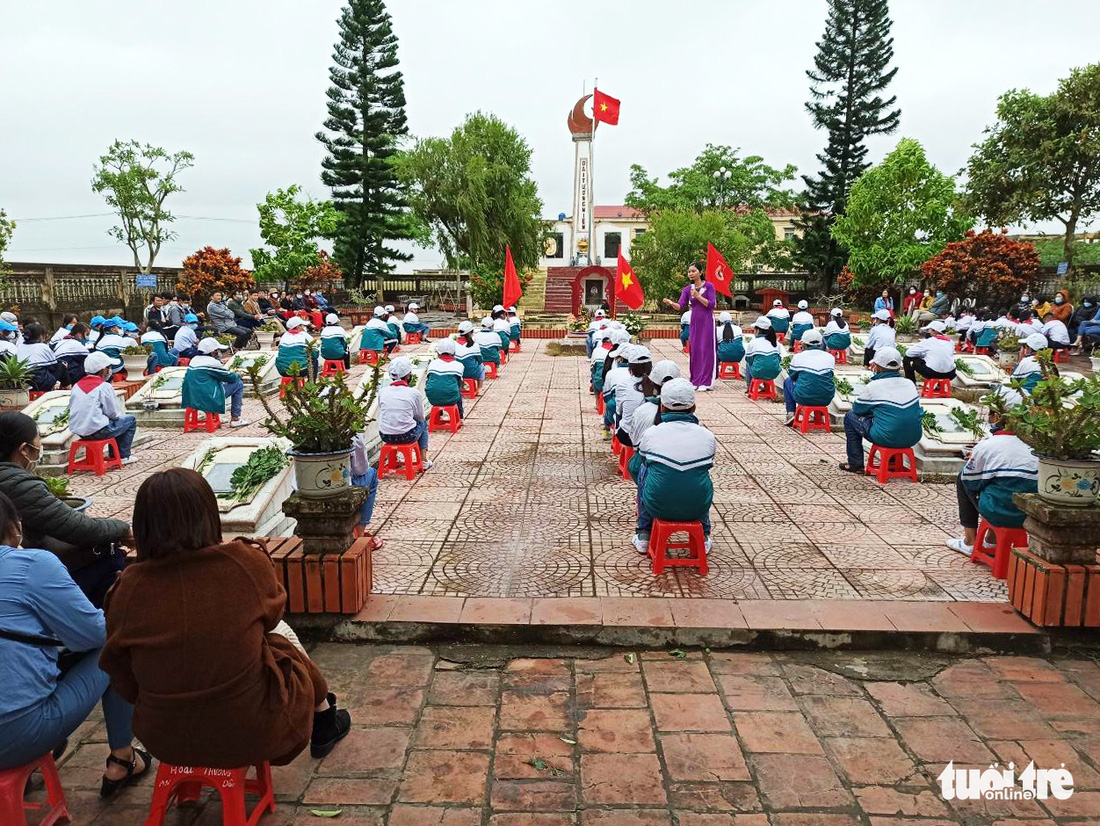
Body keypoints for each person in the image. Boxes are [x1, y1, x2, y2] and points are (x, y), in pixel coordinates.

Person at [99, 468, 352, 767]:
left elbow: (122, 677)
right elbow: (273, 615)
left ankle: (322, 714)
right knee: (279, 641)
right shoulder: (243, 563)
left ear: (142, 525)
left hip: (164, 740)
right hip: (253, 733)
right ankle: (324, 715)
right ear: (208, 515)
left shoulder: (126, 589)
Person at [0, 491, 149, 792]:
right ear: (16, 527)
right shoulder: (33, 565)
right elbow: (97, 634)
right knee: (115, 646)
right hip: (16, 734)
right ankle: (122, 759)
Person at [0, 412, 131, 607]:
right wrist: (123, 528)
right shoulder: (18, 485)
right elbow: (79, 528)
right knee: (111, 555)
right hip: (17, 576)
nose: (40, 449)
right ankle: (97, 626)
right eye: (38, 443)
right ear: (24, 450)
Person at [631, 379, 715, 555]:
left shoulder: (651, 433)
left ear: (662, 407)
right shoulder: (707, 436)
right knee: (700, 475)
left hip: (657, 505)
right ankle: (704, 534)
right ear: (693, 407)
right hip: (697, 507)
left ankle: (644, 533)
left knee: (645, 469)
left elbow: (640, 465)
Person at [946, 409, 1038, 556]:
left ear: (997, 417)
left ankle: (970, 541)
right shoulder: (1036, 445)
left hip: (998, 512)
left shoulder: (988, 445)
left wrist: (976, 459)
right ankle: (991, 539)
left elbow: (970, 481)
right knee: (1005, 484)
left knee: (963, 477)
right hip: (1029, 514)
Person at [839, 347, 922, 473]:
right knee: (893, 419)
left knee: (850, 417)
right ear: (899, 367)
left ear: (876, 367)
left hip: (885, 437)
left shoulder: (874, 386)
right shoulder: (909, 383)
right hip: (913, 437)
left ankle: (856, 464)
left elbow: (857, 409)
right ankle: (892, 461)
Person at [69, 351, 139, 463]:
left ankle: (116, 454)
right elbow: (113, 413)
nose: (109, 370)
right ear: (103, 370)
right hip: (98, 431)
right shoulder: (104, 386)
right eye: (108, 367)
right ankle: (122, 456)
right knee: (130, 420)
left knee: (114, 422)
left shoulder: (77, 386)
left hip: (79, 431)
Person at [662, 260, 716, 390]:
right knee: (695, 350)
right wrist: (671, 303)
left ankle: (706, 382)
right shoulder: (687, 289)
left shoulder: (709, 286)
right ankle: (695, 380)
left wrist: (698, 296)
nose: (690, 273)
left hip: (707, 320)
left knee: (706, 350)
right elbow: (680, 306)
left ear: (700, 272)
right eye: (689, 271)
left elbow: (712, 304)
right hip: (695, 321)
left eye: (693, 271)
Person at [182, 338, 249, 427]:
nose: (219, 353)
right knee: (238, 384)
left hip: (192, 397)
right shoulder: (212, 363)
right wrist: (238, 375)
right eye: (217, 350)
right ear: (213, 351)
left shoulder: (194, 360)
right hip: (208, 398)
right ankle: (235, 418)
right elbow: (229, 377)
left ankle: (213, 415)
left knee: (213, 384)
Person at [378, 357, 431, 470]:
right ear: (408, 376)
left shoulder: (382, 392)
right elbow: (420, 417)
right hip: (406, 436)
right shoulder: (414, 393)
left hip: (385, 436)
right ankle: (423, 459)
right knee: (423, 424)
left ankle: (393, 458)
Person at [782, 330, 836, 426]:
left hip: (804, 397)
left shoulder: (798, 357)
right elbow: (830, 375)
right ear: (820, 343)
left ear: (804, 344)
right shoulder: (830, 357)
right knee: (820, 382)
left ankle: (791, 413)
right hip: (826, 398)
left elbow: (793, 376)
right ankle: (819, 416)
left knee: (787, 381)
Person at [613, 346, 653, 448]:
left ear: (630, 367)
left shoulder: (623, 385)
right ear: (651, 366)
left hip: (627, 437)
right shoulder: (659, 385)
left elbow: (619, 411)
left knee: (617, 413)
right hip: (653, 436)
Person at [18, 322, 69, 391]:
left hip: (23, 383)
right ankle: (67, 387)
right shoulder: (43, 347)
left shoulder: (19, 347)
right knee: (61, 366)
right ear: (40, 336)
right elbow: (54, 366)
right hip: (40, 384)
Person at [425, 338, 466, 418]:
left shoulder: (432, 364)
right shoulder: (458, 365)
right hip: (451, 398)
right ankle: (460, 415)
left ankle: (438, 414)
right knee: (456, 389)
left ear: (438, 351)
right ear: (453, 351)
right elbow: (459, 384)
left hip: (432, 398)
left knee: (437, 385)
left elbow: (428, 381)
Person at [744, 317, 781, 389]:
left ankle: (749, 387)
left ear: (758, 330)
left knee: (749, 364)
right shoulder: (775, 342)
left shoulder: (754, 342)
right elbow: (779, 359)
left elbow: (749, 359)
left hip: (758, 373)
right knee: (766, 364)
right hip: (774, 373)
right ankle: (766, 388)